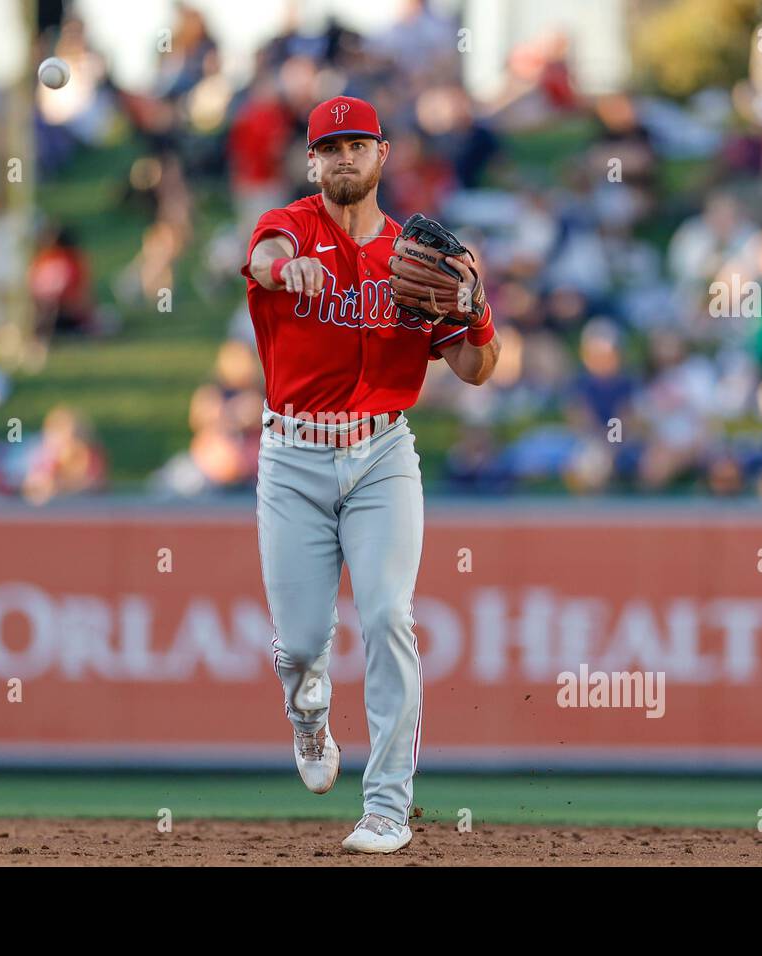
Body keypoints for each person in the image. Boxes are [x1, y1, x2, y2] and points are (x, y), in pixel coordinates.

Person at [241, 96, 500, 854]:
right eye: (331, 147)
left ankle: (387, 808)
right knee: (299, 646)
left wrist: (476, 311)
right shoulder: (287, 227)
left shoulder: (414, 257)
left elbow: (477, 370)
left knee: (388, 617)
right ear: (312, 162)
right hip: (293, 456)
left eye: (359, 144)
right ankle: (309, 717)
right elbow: (261, 258)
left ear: (383, 155)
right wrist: (286, 270)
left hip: (382, 452)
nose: (345, 157)